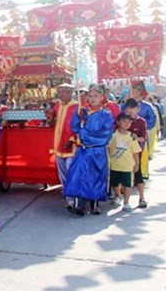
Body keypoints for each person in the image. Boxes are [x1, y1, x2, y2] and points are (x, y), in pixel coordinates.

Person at [64, 84, 115, 216]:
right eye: (90, 96)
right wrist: (78, 117)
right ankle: (79, 205)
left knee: (96, 176)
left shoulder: (106, 115)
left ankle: (95, 204)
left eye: (96, 96)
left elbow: (105, 135)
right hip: (83, 150)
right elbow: (74, 128)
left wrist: (84, 134)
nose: (92, 99)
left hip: (97, 151)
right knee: (78, 175)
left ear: (102, 97)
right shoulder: (83, 111)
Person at [108, 113, 141, 212]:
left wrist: (137, 164)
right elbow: (108, 149)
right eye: (124, 121)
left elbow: (135, 152)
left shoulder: (132, 137)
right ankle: (118, 196)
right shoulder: (112, 135)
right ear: (118, 122)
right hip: (114, 165)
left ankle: (126, 202)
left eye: (129, 122)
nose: (127, 124)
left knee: (128, 184)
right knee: (115, 183)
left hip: (127, 166)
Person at [52, 83, 78, 208]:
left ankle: (72, 196)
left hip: (70, 145)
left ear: (70, 93)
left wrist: (72, 139)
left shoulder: (76, 107)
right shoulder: (57, 105)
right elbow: (53, 119)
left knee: (70, 170)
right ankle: (66, 192)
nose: (60, 94)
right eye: (59, 92)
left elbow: (78, 126)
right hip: (58, 143)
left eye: (63, 92)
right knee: (61, 171)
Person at [124, 99, 148, 209]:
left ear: (138, 109)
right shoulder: (123, 120)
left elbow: (144, 138)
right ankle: (122, 198)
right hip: (123, 153)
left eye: (134, 109)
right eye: (129, 109)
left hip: (136, 152)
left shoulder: (141, 121)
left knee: (138, 174)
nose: (132, 112)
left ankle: (142, 197)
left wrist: (136, 138)